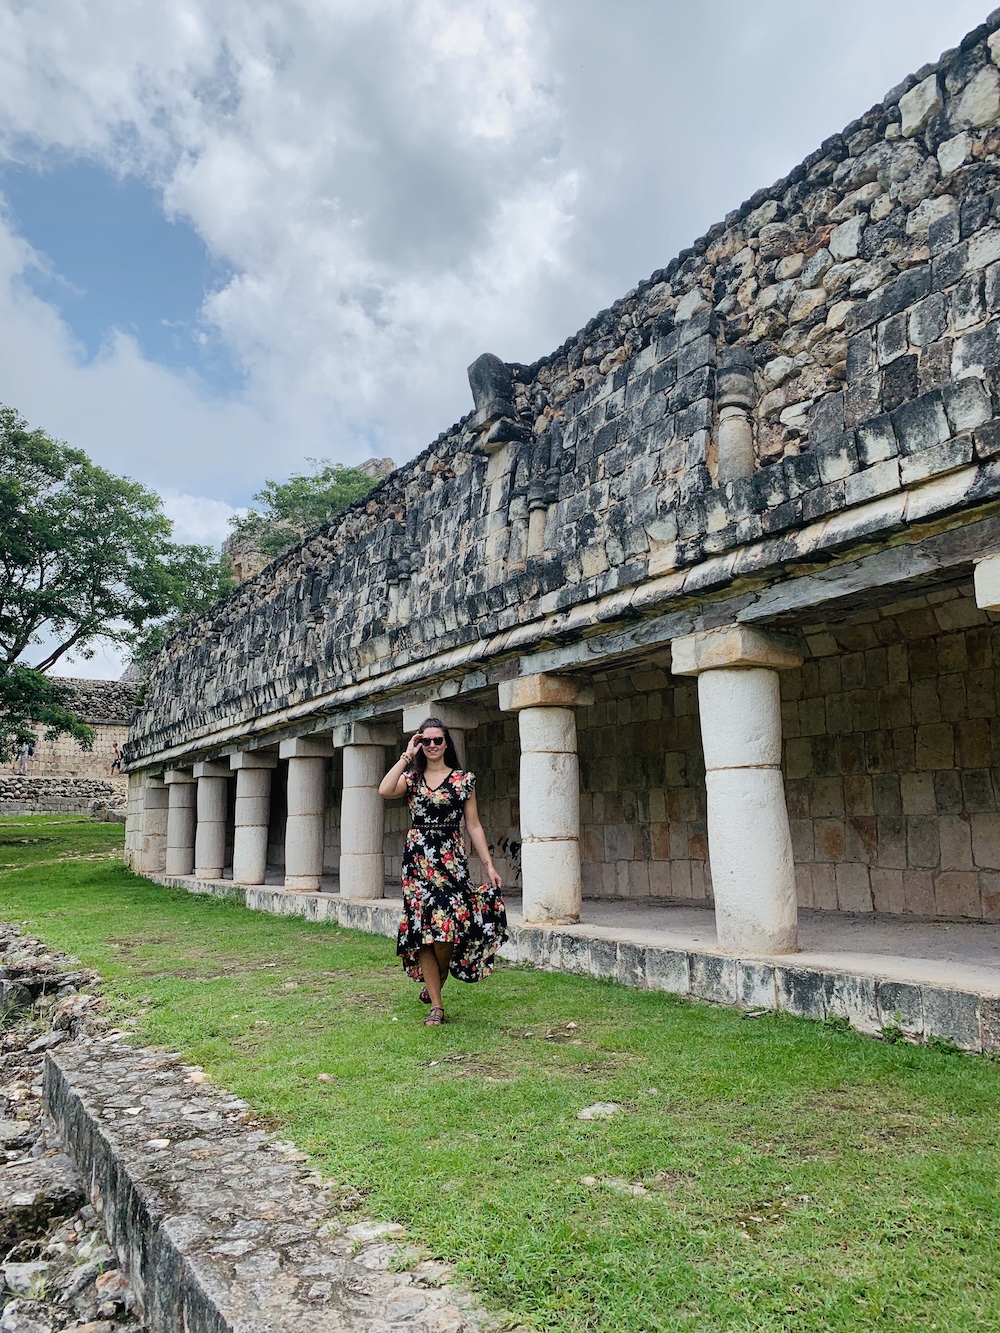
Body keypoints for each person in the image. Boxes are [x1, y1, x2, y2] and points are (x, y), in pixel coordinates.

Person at [379, 717, 506, 1026]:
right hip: (418, 861)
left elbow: (473, 825)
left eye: (438, 740)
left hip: (451, 859)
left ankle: (442, 971)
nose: (432, 745)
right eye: (426, 741)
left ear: (447, 743)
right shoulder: (411, 778)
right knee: (422, 931)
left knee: (450, 927)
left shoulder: (463, 780)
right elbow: (384, 790)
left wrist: (488, 865)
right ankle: (437, 1005)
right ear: (420, 744)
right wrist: (406, 756)